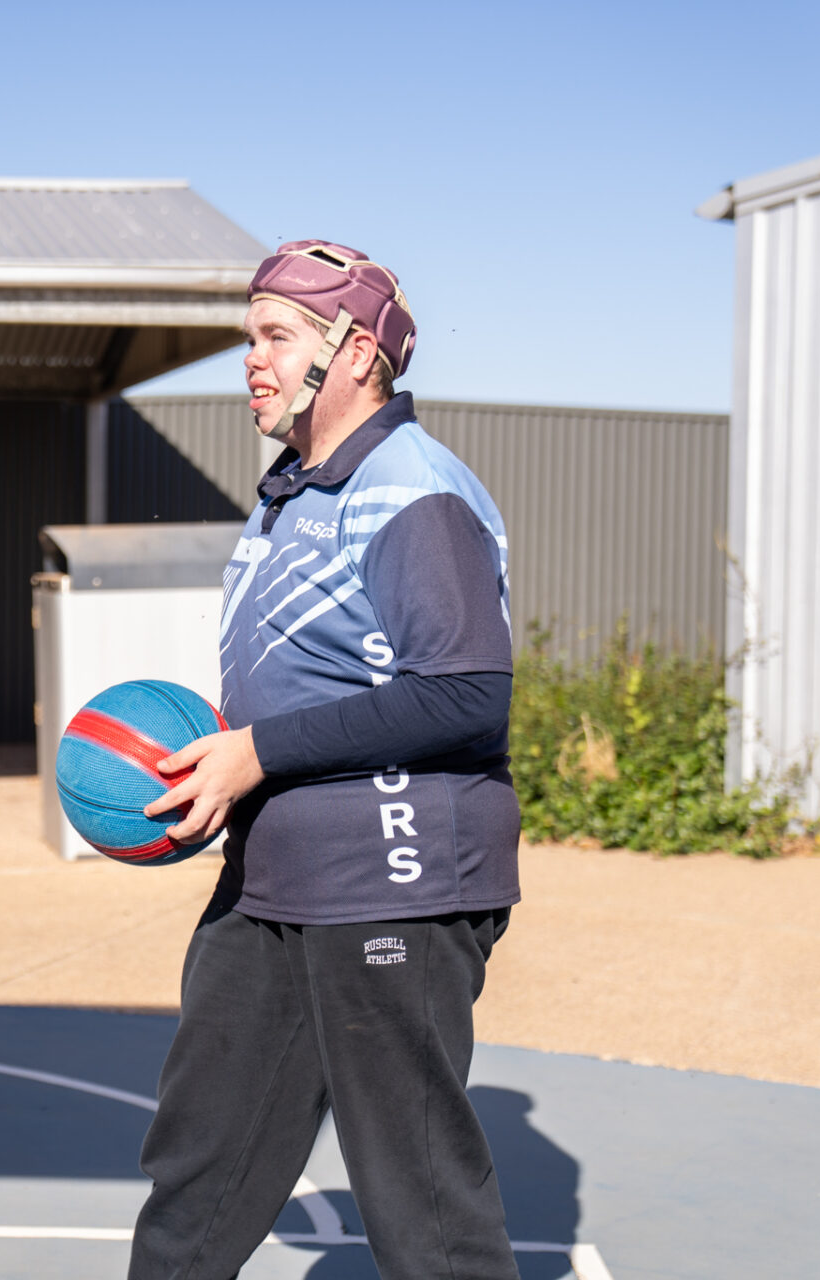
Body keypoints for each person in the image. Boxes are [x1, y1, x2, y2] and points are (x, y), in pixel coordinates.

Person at [129, 242, 522, 1280]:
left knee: (419, 1201)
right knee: (199, 1164)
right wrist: (212, 752)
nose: (251, 359)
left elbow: (466, 694)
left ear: (353, 352)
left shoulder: (414, 489)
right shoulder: (290, 494)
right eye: (249, 336)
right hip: (272, 882)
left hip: (393, 880)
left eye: (276, 335)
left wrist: (257, 750)